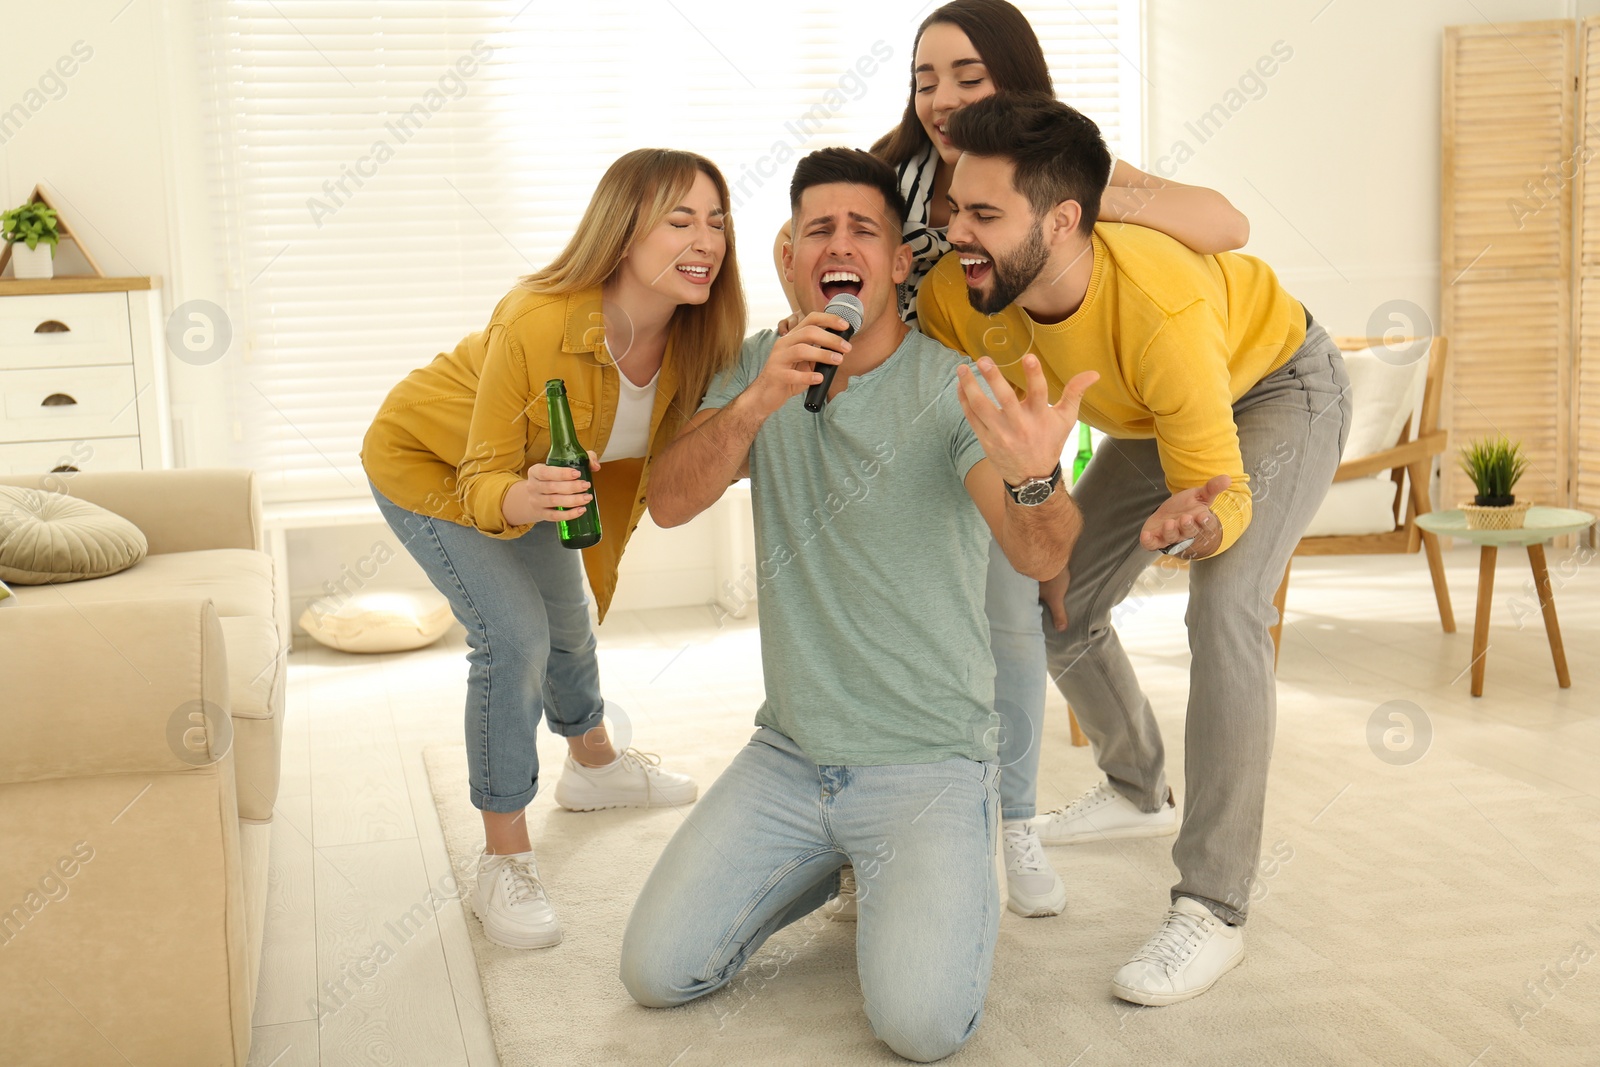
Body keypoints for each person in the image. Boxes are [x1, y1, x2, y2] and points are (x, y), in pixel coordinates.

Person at [774, 0, 1253, 918]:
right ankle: (865, 825)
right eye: (925, 78)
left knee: (1019, 613)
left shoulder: (1054, 172)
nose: (942, 99)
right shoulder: (885, 175)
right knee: (884, 621)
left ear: (1014, 83)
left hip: (993, 417)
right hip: (894, 415)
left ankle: (1018, 823)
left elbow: (1225, 223)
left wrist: (1072, 197)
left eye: (968, 77)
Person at [619, 147, 1096, 1062]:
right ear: (791, 256)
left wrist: (1038, 479)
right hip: (791, 755)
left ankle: (917, 866)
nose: (840, 245)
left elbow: (1039, 551)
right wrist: (758, 401)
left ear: (900, 261)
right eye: (818, 231)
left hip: (928, 764)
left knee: (918, 1029)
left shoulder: (954, 386)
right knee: (656, 972)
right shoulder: (760, 366)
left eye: (863, 230)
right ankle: (843, 863)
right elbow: (671, 502)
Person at [917, 93, 1350, 1006]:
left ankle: (1213, 906)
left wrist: (1198, 523)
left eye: (985, 215)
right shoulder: (965, 290)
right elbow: (897, 354)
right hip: (1157, 412)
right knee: (1057, 597)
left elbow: (1217, 491)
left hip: (1276, 385)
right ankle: (1135, 784)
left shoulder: (1157, 304)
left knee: (1226, 608)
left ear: (1064, 220)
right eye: (956, 209)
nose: (959, 232)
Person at [360, 148, 746, 951]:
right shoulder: (536, 318)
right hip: (431, 461)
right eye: (680, 220)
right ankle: (502, 860)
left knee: (567, 617)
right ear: (624, 232)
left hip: (537, 478)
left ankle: (596, 765)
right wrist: (521, 497)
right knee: (514, 635)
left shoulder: (705, 333)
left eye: (716, 220)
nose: (704, 238)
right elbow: (479, 474)